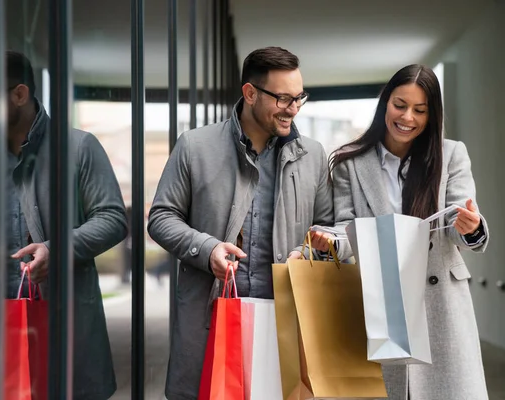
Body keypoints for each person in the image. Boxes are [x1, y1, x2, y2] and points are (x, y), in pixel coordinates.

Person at [147, 46, 335, 400]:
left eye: (299, 98)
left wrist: (312, 248)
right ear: (250, 93)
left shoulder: (313, 155)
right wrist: (208, 248)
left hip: (288, 321)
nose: (293, 109)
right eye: (282, 98)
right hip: (212, 318)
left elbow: (328, 226)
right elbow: (160, 217)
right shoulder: (194, 146)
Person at [319, 64, 489, 399]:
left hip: (441, 305)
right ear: (385, 102)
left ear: (432, 114)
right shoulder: (348, 163)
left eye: (420, 110)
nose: (407, 117)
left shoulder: (451, 154)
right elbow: (345, 228)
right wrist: (332, 242)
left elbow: (460, 223)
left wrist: (470, 226)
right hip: (382, 306)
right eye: (400, 105)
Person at [5, 50, 128, 399]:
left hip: (63, 320)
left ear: (19, 94)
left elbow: (113, 219)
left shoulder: (78, 148)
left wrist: (55, 249)